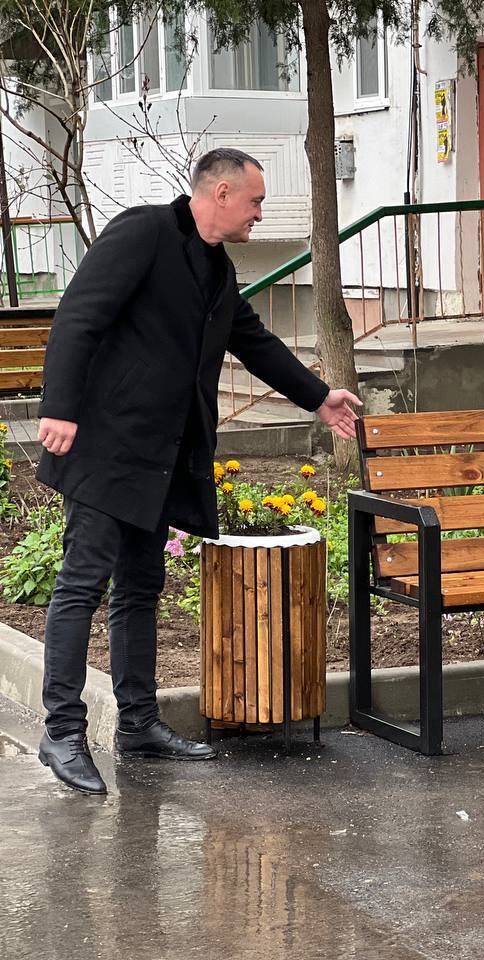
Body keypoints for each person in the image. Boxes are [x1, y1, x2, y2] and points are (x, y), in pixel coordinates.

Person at [36, 148, 361, 793]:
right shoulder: (143, 232)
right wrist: (62, 409)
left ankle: (138, 723)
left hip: (163, 459)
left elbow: (255, 342)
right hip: (106, 446)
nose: (260, 215)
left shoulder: (217, 268)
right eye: (255, 201)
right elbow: (79, 316)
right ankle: (63, 732)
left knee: (138, 588)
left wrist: (319, 396)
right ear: (218, 193)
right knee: (82, 584)